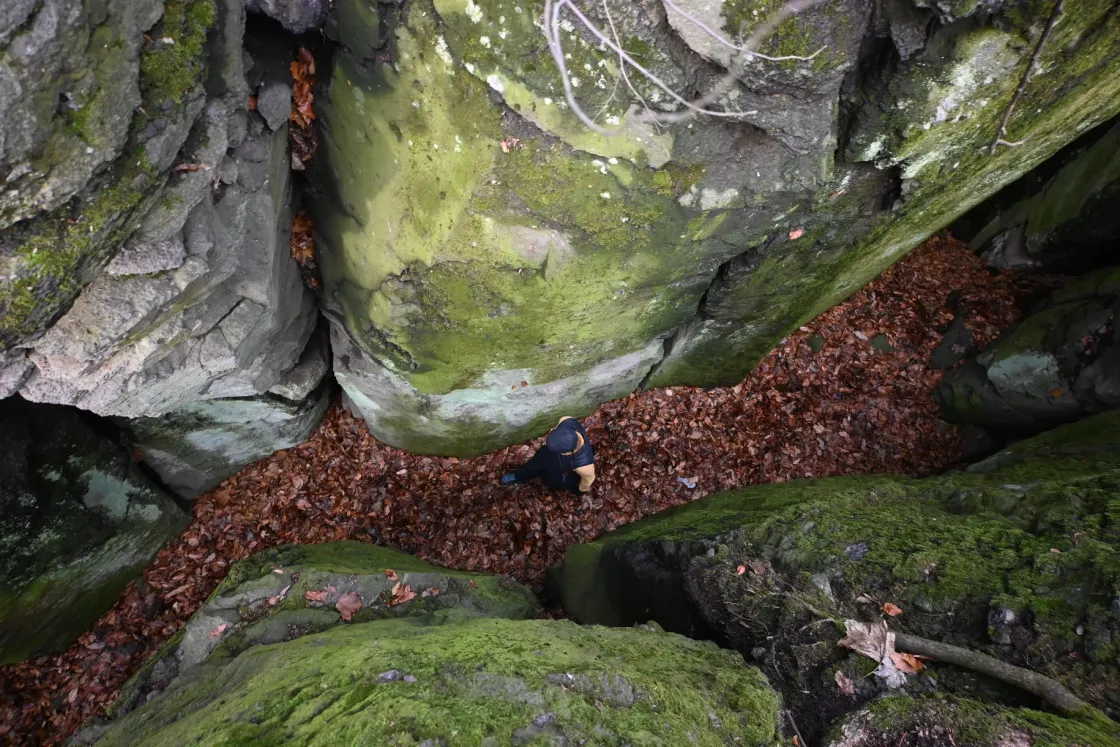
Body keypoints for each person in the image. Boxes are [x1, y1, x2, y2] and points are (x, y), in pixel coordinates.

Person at [500, 416, 596, 494]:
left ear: (566, 453)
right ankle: (518, 476)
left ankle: (549, 483)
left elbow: (588, 480)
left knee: (553, 481)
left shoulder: (584, 466)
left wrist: (580, 490)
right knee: (532, 465)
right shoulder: (567, 420)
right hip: (548, 454)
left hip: (565, 467)